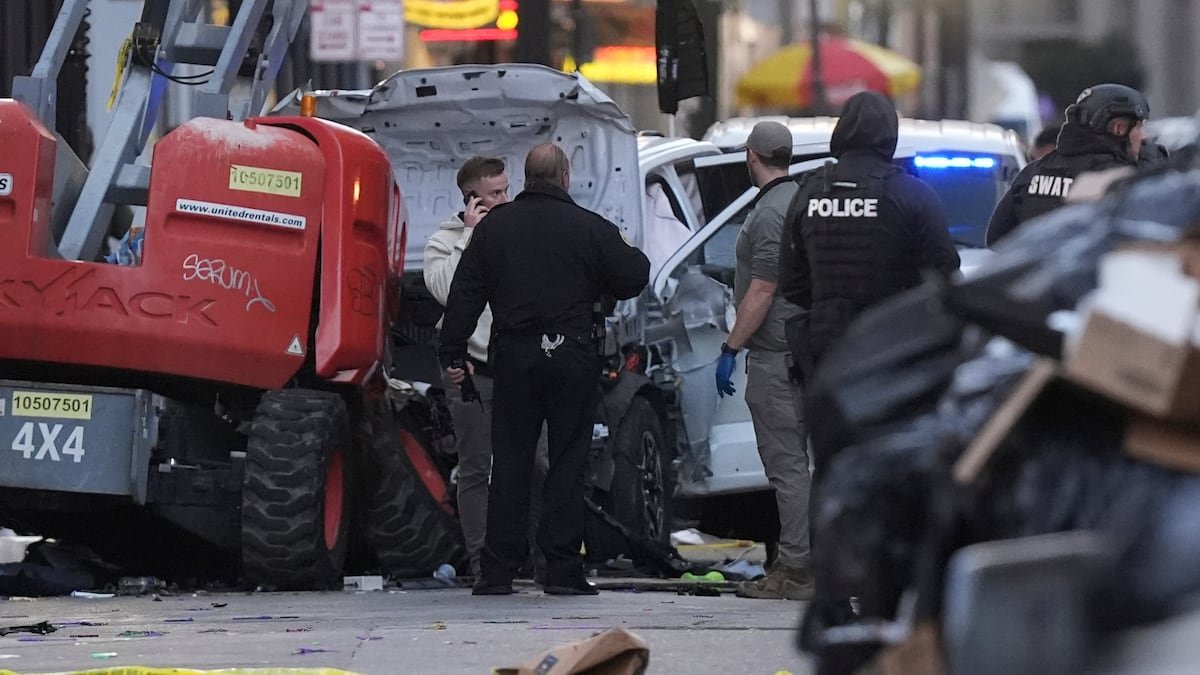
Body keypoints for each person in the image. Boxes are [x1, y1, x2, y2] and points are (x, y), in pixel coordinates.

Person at [439, 143, 650, 596]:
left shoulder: (494, 230)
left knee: (509, 463)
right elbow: (635, 273)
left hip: (514, 358)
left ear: (526, 178)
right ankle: (561, 569)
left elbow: (464, 297)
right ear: (565, 177)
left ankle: (497, 571)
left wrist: (452, 354)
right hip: (572, 356)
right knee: (568, 461)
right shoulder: (590, 227)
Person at [779, 91, 960, 465]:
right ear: (890, 134)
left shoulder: (809, 191)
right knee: (893, 460)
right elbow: (945, 274)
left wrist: (830, 302)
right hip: (892, 347)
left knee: (832, 461)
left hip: (826, 349)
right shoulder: (912, 194)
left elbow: (791, 280)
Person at [425, 156, 547, 580]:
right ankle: (483, 564)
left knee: (539, 463)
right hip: (470, 370)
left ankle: (541, 559)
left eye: (507, 189)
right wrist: (471, 237)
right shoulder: (445, 241)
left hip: (519, 367)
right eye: (495, 193)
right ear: (471, 199)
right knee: (477, 467)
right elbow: (447, 291)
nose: (506, 199)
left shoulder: (519, 233)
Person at [714, 121, 813, 601]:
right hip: (802, 351)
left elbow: (763, 288)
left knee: (787, 468)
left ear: (751, 156)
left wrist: (730, 348)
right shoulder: (800, 199)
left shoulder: (772, 211)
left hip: (777, 355)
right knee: (802, 466)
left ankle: (795, 569)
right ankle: (805, 561)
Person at [986, 83, 1150, 246]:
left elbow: (996, 238)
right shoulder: (1120, 182)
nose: (1143, 137)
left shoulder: (1033, 173)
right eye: (1139, 127)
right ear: (1119, 128)